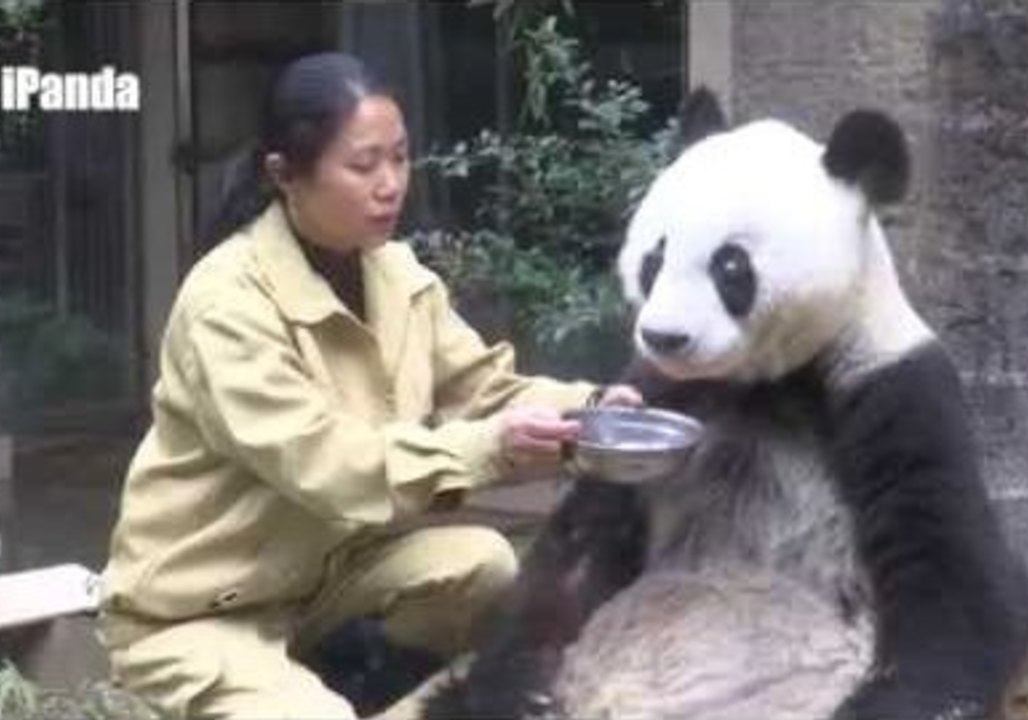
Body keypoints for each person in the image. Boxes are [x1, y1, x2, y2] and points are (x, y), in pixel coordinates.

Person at [98, 52, 640, 720]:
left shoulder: (399, 276)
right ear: (284, 174)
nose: (390, 185)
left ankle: (353, 691)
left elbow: (483, 386)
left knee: (483, 566)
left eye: (401, 158)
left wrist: (589, 412)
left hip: (328, 580)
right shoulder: (226, 305)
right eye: (363, 165)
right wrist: (491, 448)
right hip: (200, 610)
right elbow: (329, 467)